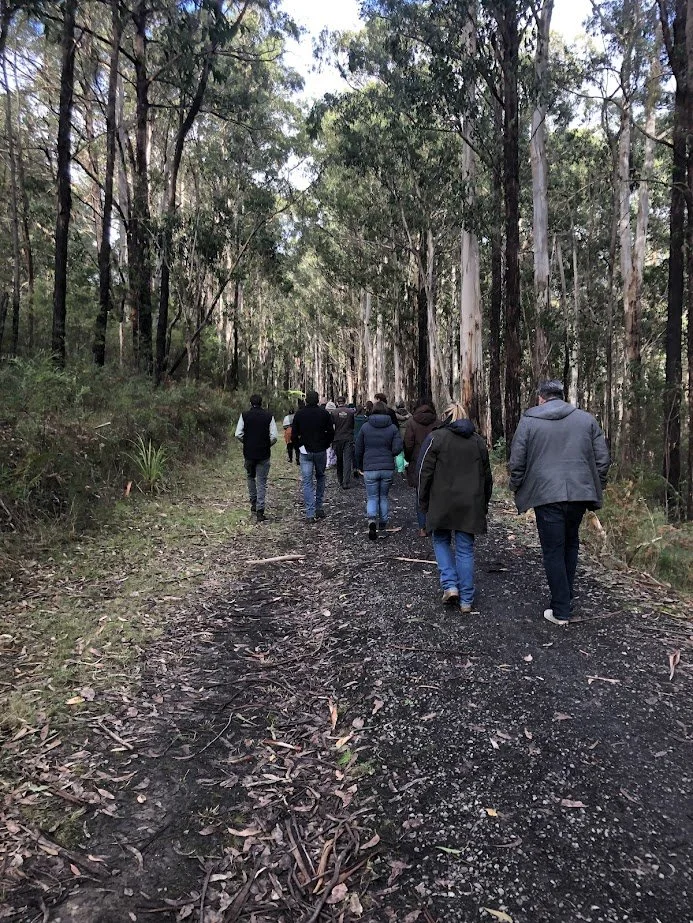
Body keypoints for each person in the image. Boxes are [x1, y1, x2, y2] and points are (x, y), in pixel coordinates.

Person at [508, 379, 611, 626]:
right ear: (561, 396)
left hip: (545, 494)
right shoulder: (586, 420)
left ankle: (562, 609)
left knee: (554, 548)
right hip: (579, 493)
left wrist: (516, 485)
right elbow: (602, 459)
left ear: (541, 398)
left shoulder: (529, 421)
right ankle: (564, 599)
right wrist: (595, 484)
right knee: (570, 544)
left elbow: (517, 460)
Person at [418, 403, 492, 614]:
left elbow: (425, 473)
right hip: (470, 504)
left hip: (441, 503)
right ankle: (466, 600)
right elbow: (487, 477)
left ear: (445, 417)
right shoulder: (477, 442)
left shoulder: (436, 438)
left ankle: (450, 585)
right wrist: (484, 503)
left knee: (440, 540)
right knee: (465, 549)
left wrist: (422, 503)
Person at [354, 401, 403, 540]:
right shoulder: (393, 428)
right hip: (387, 467)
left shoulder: (365, 427)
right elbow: (398, 447)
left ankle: (371, 521)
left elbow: (358, 448)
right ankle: (383, 525)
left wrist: (359, 466)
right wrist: (390, 454)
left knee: (372, 497)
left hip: (370, 467)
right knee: (383, 497)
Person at [292, 390, 335, 523]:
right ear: (317, 400)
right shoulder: (324, 413)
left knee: (307, 481)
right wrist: (326, 444)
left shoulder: (299, 414)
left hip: (305, 451)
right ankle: (319, 507)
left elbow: (294, 434)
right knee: (321, 477)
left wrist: (298, 447)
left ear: (306, 401)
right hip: (320, 450)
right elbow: (331, 432)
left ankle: (310, 513)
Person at [235, 394, 278, 522]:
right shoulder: (268, 416)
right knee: (262, 482)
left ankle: (253, 502)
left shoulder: (244, 415)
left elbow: (238, 433)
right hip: (264, 453)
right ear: (261, 402)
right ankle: (260, 510)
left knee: (250, 477)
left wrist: (246, 442)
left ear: (250, 403)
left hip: (249, 453)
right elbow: (274, 436)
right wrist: (267, 444)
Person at [404, 398, 437, 537]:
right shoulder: (438, 422)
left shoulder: (412, 422)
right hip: (435, 462)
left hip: (418, 461)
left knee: (420, 495)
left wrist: (408, 458)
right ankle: (434, 525)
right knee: (435, 493)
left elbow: (408, 444)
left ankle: (423, 527)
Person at [331, 395, 356, 489]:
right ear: (345, 402)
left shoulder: (333, 412)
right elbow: (353, 425)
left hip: (337, 438)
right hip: (348, 438)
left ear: (337, 402)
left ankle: (340, 480)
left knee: (340, 460)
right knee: (347, 460)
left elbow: (332, 426)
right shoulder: (351, 412)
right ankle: (346, 482)